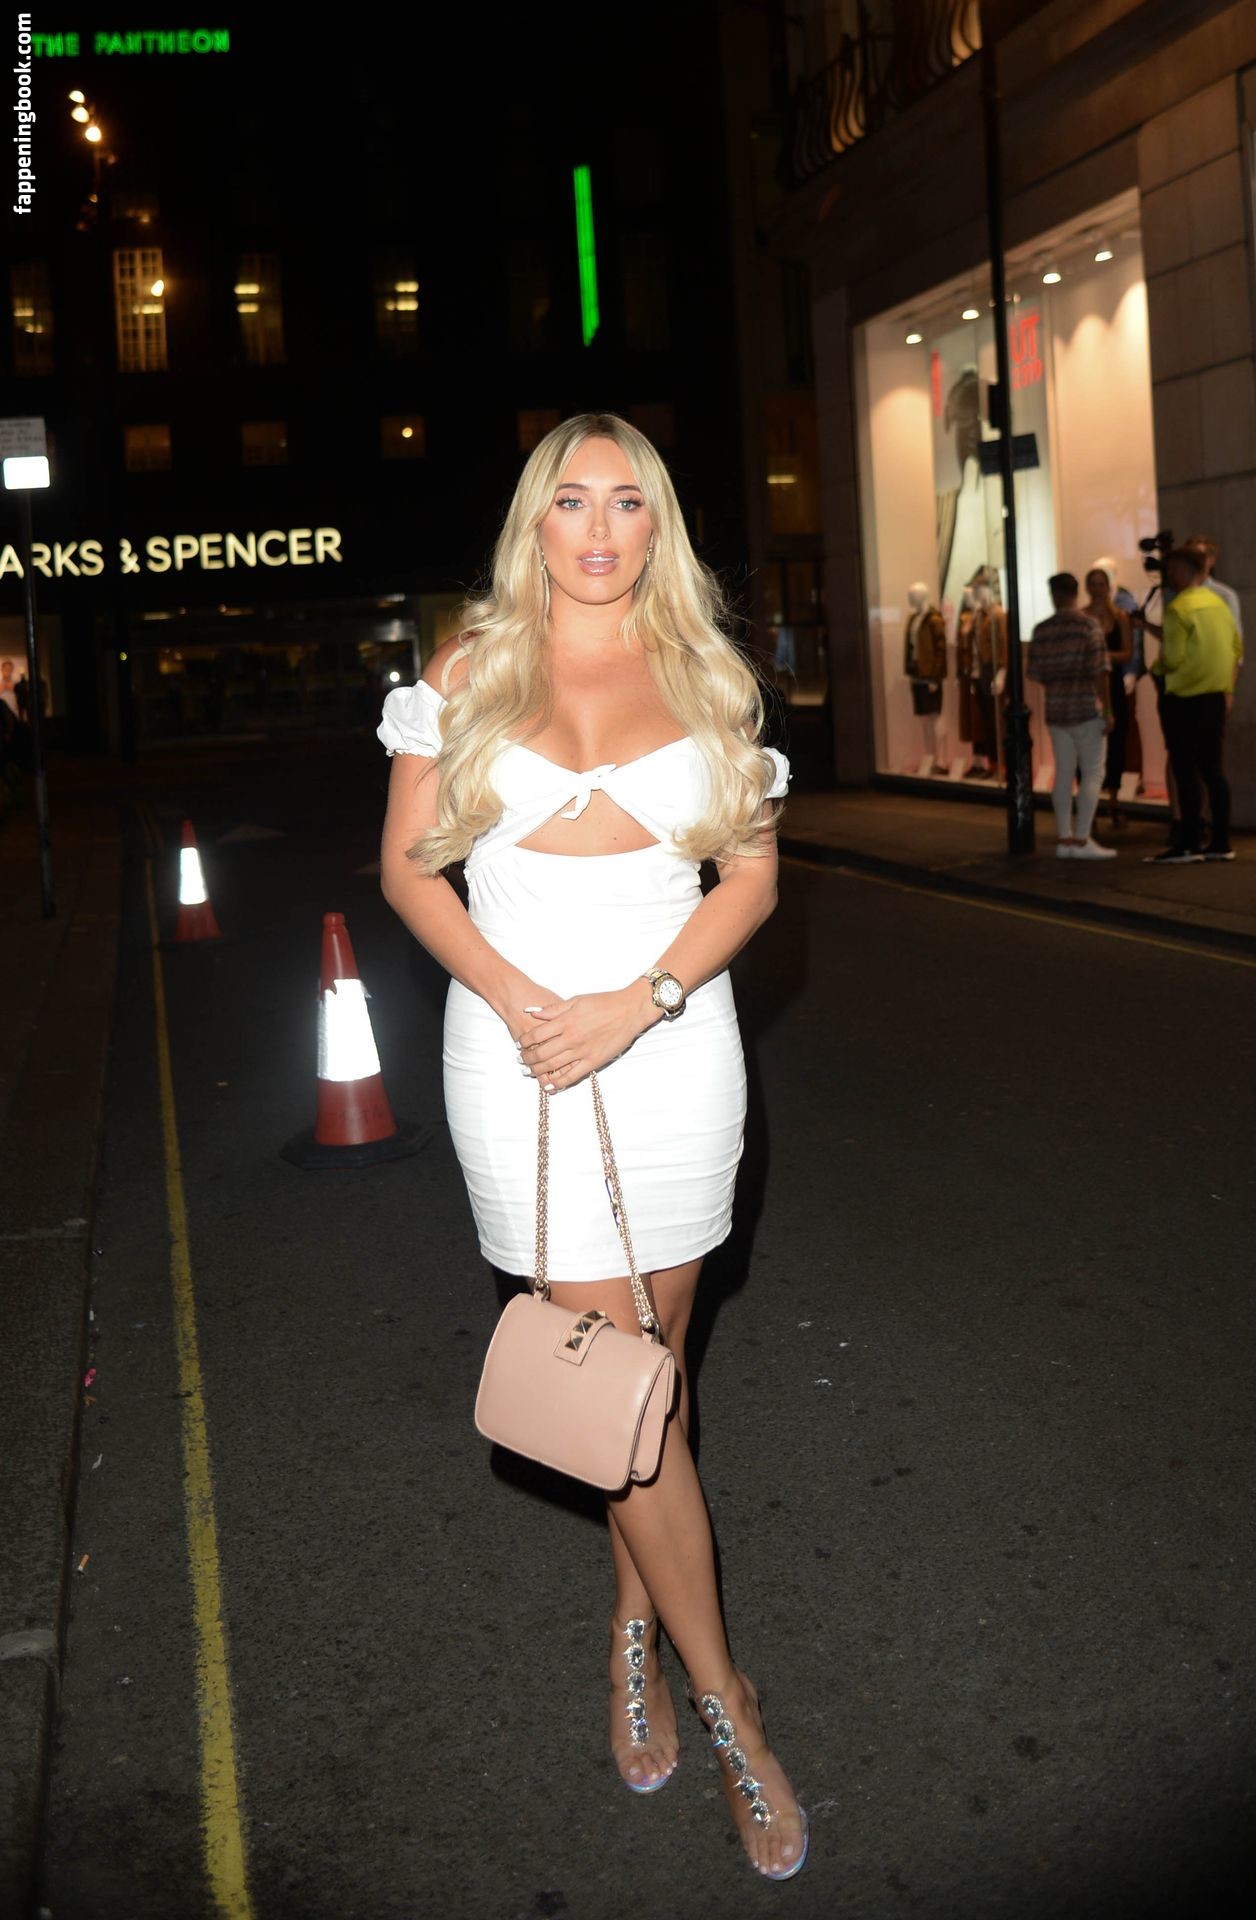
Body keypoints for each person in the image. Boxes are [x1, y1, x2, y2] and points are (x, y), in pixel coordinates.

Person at [377, 414, 808, 1882]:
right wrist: (523, 1004)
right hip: (519, 1060)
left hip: (673, 1046)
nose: (601, 528)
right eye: (572, 501)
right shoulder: (466, 671)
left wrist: (642, 1002)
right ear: (535, 522)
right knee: (623, 1392)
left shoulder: (706, 673)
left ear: (656, 523)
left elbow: (749, 879)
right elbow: (410, 873)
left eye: (628, 502)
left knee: (648, 1381)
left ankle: (632, 1622)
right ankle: (730, 1706)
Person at [1138, 547, 1243, 864]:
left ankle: (1189, 843)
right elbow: (1236, 647)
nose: (1169, 576)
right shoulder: (1219, 604)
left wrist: (1157, 671)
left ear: (1184, 571)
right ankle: (1221, 842)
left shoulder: (1179, 608)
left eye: (1172, 570)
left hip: (1182, 698)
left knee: (1185, 771)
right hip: (1214, 697)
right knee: (1213, 771)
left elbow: (1173, 658)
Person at [1027, 572, 1115, 859]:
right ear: (1077, 592)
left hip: (1056, 710)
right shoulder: (1088, 626)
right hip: (1086, 708)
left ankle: (1064, 838)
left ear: (1052, 594)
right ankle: (1082, 839)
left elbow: (1036, 673)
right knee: (1093, 772)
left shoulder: (1042, 630)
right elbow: (1100, 672)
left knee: (1064, 773)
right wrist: (1108, 709)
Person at [1083, 568, 1134, 826]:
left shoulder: (1120, 617)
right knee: (1087, 745)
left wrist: (1102, 656)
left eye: (1101, 584)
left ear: (1108, 586)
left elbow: (1127, 653)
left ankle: (1114, 800)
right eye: (1093, 584)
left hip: (1113, 685)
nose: (1097, 589)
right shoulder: (1082, 617)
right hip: (1088, 686)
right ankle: (1090, 805)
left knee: (1116, 744)